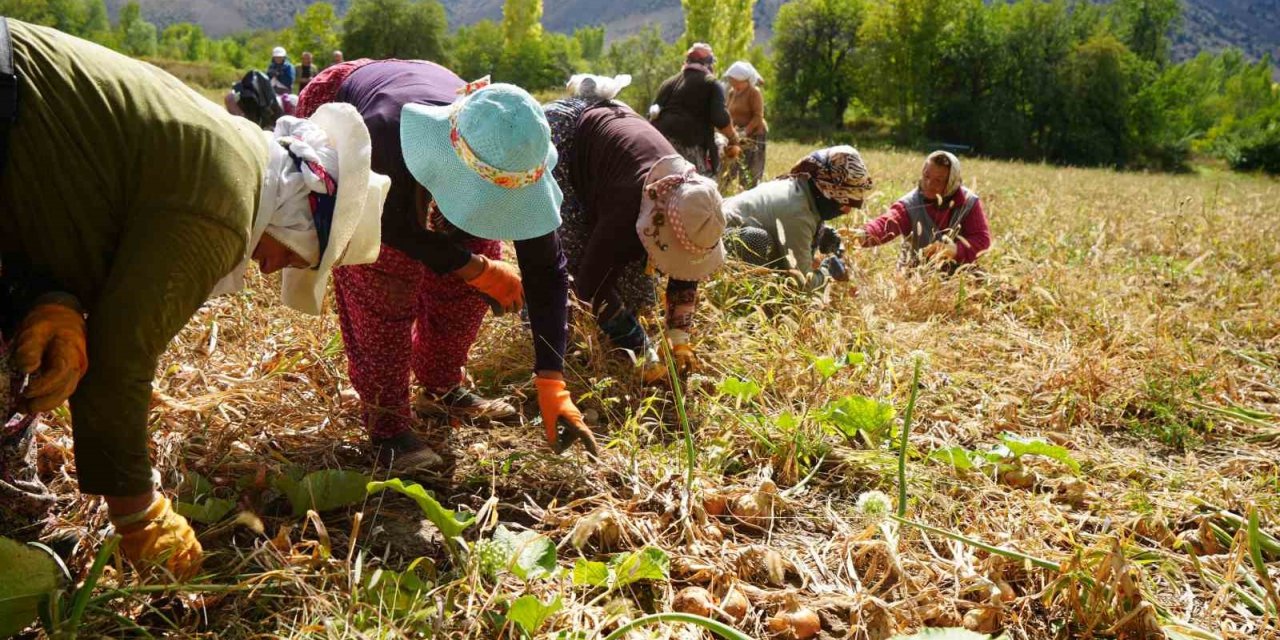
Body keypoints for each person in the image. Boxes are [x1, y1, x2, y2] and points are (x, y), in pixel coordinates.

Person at [0, 20, 390, 578]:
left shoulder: (231, 157)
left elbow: (72, 187)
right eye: (301, 257)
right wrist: (139, 513)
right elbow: (119, 359)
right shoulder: (222, 206)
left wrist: (51, 299)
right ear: (308, 212)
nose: (275, 267)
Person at [298, 66, 598, 465]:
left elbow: (546, 270)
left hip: (441, 126)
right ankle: (388, 426)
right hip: (364, 129)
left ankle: (440, 387)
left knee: (480, 266)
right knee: (384, 278)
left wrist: (551, 378)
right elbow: (377, 224)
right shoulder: (382, 135)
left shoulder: (514, 150)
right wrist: (468, 265)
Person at [545, 89, 727, 382]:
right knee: (573, 263)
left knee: (637, 292)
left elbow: (687, 263)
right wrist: (643, 350)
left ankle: (619, 332)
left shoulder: (693, 205)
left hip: (616, 156)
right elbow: (591, 285)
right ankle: (549, 343)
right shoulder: (626, 211)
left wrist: (679, 339)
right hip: (568, 142)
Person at [723, 146, 872, 289]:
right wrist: (828, 271)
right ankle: (742, 298)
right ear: (827, 191)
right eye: (845, 202)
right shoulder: (797, 211)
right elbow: (803, 284)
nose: (847, 211)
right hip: (712, 248)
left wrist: (818, 233)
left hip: (716, 235)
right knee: (757, 240)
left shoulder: (800, 188)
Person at [853, 151, 991, 270]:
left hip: (959, 274)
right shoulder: (910, 204)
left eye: (938, 180)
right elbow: (886, 224)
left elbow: (981, 240)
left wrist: (954, 250)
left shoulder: (968, 202)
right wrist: (861, 235)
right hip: (917, 274)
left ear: (951, 182)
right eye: (926, 176)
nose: (929, 184)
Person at [650, 43, 740, 177]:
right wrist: (733, 138)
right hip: (690, 147)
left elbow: (652, 115)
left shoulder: (668, 83)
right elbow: (720, 118)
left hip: (660, 147)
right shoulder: (711, 83)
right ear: (708, 64)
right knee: (694, 188)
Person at [723, 61, 768, 190]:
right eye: (731, 80)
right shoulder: (732, 92)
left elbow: (758, 117)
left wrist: (745, 132)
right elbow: (728, 112)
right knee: (731, 166)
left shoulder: (754, 92)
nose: (732, 83)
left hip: (753, 135)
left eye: (734, 80)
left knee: (750, 169)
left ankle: (748, 192)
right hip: (737, 135)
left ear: (743, 79)